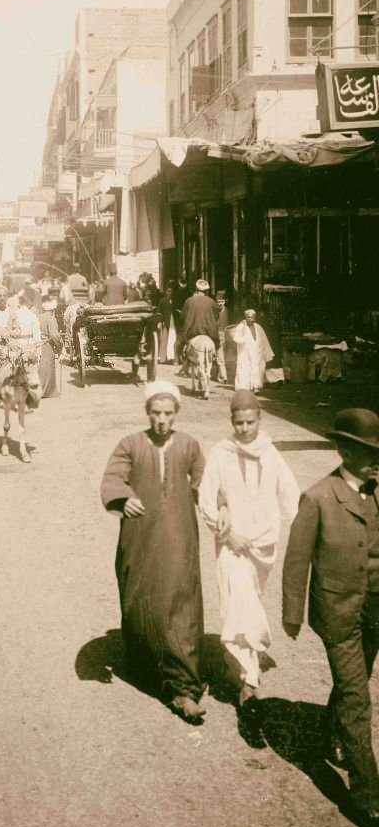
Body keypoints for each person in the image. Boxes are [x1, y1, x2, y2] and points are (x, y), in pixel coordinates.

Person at [282, 408, 379, 827]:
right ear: (344, 451)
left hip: (373, 610)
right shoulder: (319, 496)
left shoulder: (377, 492)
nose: (377, 459)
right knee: (358, 698)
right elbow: (297, 559)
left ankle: (329, 733)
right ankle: (367, 798)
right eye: (368, 452)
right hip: (338, 613)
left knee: (351, 681)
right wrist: (292, 613)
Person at [100, 381, 207, 723]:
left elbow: (207, 481)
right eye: (156, 413)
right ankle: (146, 665)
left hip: (179, 537)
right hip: (141, 536)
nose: (162, 420)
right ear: (147, 413)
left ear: (177, 413)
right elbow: (113, 477)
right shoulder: (131, 444)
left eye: (168, 413)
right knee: (140, 598)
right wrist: (123, 497)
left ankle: (184, 688)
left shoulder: (189, 445)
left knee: (181, 603)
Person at [199, 390, 300, 704]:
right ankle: (250, 680)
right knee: (239, 601)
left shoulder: (271, 454)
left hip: (264, 544)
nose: (244, 429)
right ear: (231, 422)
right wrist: (226, 533)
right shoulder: (220, 453)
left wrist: (304, 534)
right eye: (239, 423)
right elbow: (205, 499)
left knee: (249, 602)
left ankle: (239, 663)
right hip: (232, 544)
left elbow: (290, 496)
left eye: (250, 422)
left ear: (260, 419)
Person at [181, 279, 220, 399]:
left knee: (182, 347)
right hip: (209, 334)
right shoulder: (211, 302)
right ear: (206, 291)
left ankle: (185, 365)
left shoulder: (189, 301)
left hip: (193, 334)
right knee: (216, 346)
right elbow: (216, 316)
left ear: (196, 290)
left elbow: (183, 317)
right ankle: (215, 356)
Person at [233, 308, 274, 393]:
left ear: (255, 318)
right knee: (245, 368)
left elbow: (264, 340)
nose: (250, 319)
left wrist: (266, 352)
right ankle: (244, 387)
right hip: (245, 353)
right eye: (248, 317)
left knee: (257, 368)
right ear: (245, 317)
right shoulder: (241, 327)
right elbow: (237, 339)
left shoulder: (258, 327)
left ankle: (256, 386)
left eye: (252, 317)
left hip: (256, 352)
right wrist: (244, 332)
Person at [38, 294, 62, 397]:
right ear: (53, 310)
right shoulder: (51, 319)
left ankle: (39, 389)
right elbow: (54, 335)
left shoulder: (38, 317)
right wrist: (60, 346)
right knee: (47, 369)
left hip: (38, 345)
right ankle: (46, 392)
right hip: (47, 346)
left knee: (40, 369)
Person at [157, 282, 177, 364]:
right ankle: (162, 358)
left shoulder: (175, 301)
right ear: (166, 292)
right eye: (168, 291)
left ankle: (172, 357)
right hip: (166, 322)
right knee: (164, 340)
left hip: (173, 322)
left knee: (173, 339)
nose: (170, 293)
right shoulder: (162, 301)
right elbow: (159, 312)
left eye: (171, 291)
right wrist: (160, 322)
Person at [214, 291, 230, 384]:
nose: (220, 303)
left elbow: (226, 324)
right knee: (217, 355)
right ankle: (218, 375)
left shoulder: (226, 310)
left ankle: (223, 376)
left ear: (225, 301)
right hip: (216, 333)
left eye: (222, 301)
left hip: (222, 334)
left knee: (220, 355)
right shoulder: (215, 310)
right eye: (219, 301)